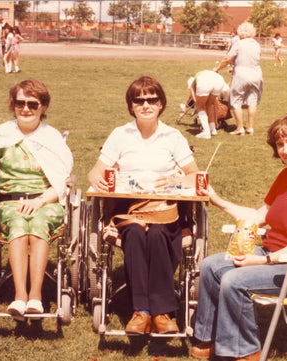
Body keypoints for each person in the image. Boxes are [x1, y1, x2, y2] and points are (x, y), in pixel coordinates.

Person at [191, 112, 287, 361]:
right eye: (280, 144)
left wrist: (262, 261)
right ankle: (207, 339)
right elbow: (258, 215)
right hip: (276, 256)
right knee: (210, 266)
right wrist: (216, 200)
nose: (285, 149)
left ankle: (245, 352)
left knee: (233, 280)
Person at [87, 76, 200, 335]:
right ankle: (143, 312)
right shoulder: (120, 134)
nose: (146, 105)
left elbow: (194, 175)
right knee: (136, 234)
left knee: (160, 234)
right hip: (130, 208)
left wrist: (177, 178)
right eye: (139, 100)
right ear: (131, 105)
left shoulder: (173, 136)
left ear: (161, 104)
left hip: (165, 207)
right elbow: (95, 172)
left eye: (152, 99)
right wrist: (99, 182)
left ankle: (162, 313)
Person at [0, 79, 73, 320]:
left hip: (47, 201)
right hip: (8, 202)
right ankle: (20, 296)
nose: (25, 109)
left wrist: (39, 202)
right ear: (12, 105)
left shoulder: (52, 138)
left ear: (43, 107)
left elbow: (62, 181)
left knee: (37, 224)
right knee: (18, 223)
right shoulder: (1, 135)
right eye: (19, 103)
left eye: (32, 104)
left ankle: (35, 297)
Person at [214, 22, 262, 136]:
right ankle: (250, 127)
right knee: (252, 100)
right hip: (256, 73)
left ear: (241, 32)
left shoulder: (239, 43)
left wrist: (218, 68)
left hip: (241, 74)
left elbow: (227, 59)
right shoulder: (256, 44)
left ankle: (239, 128)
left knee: (236, 100)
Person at [186, 70, 230, 139]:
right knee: (210, 104)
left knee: (201, 107)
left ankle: (206, 132)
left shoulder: (193, 82)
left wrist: (198, 104)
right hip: (219, 81)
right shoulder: (201, 75)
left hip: (206, 82)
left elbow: (192, 94)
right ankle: (212, 129)